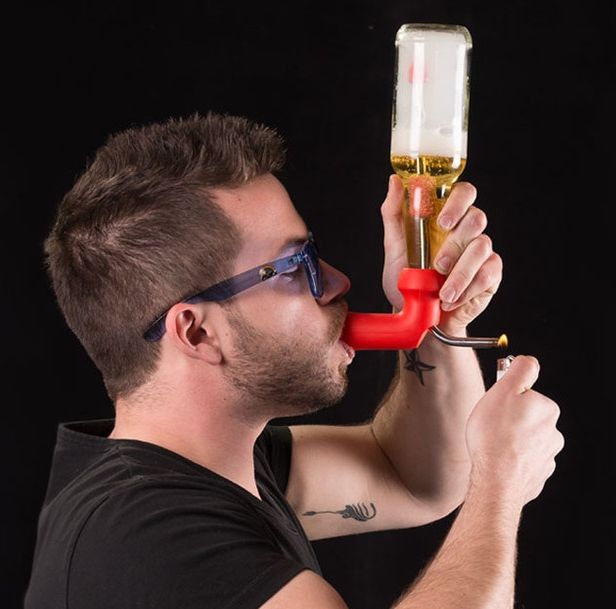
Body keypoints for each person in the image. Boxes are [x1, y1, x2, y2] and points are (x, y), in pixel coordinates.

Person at [25, 112, 564, 609]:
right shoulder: (148, 536)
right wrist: (501, 487)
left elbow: (415, 478)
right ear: (197, 332)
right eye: (293, 266)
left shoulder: (216, 470)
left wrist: (433, 316)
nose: (336, 282)